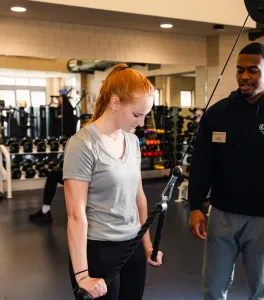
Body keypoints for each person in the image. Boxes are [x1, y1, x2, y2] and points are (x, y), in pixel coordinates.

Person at [188, 42, 264, 300]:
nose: (245, 76)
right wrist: (195, 205)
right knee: (212, 289)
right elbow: (202, 162)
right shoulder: (217, 114)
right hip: (221, 215)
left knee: (260, 292)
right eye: (240, 70)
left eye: (253, 70)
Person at [63, 63, 163, 300]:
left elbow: (139, 197)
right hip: (98, 251)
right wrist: (82, 276)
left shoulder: (131, 142)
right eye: (137, 115)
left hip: (133, 247)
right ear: (115, 103)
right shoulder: (83, 145)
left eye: (145, 115)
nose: (141, 123)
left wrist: (147, 246)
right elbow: (76, 215)